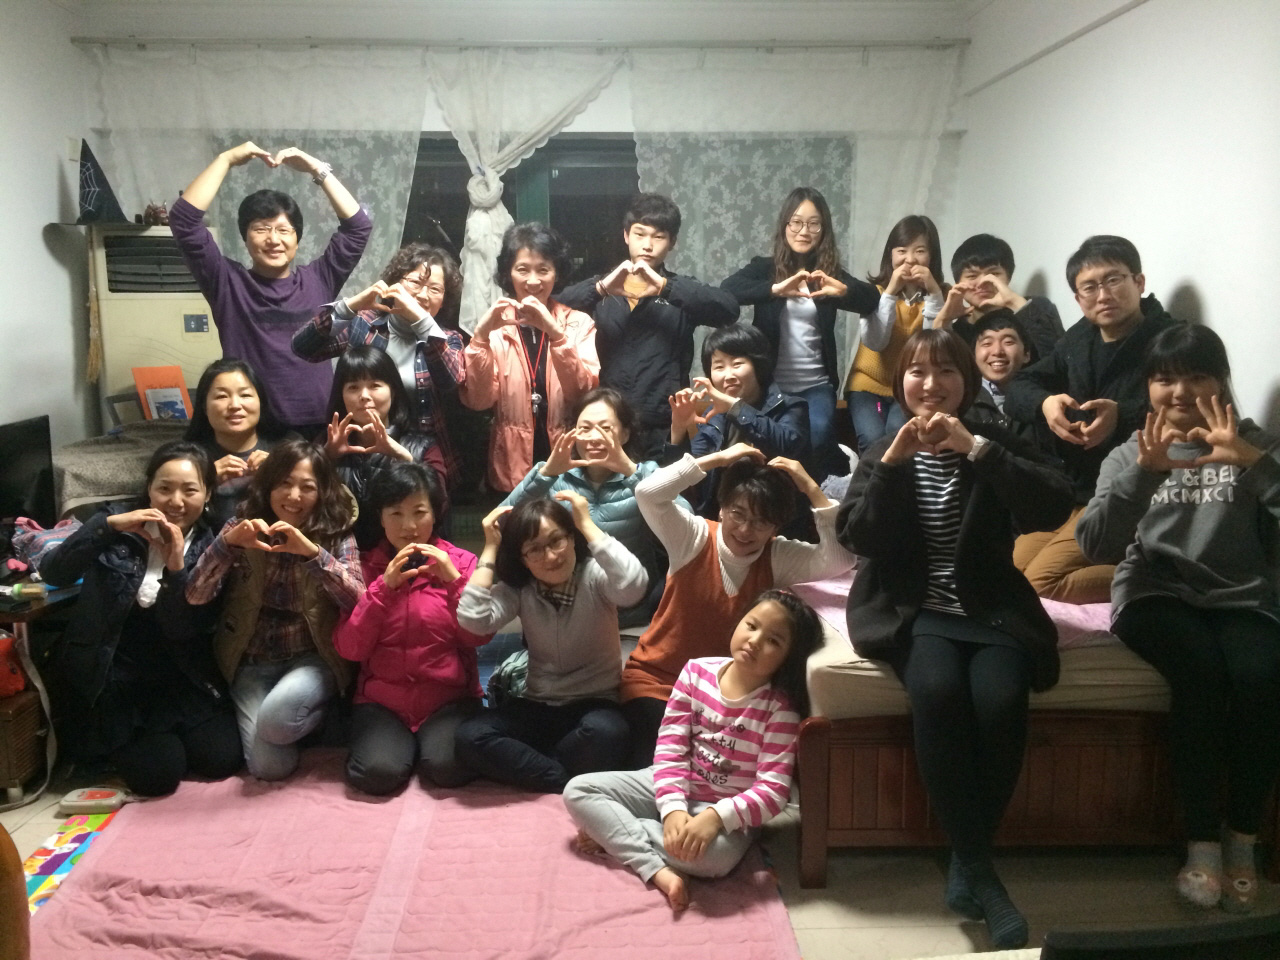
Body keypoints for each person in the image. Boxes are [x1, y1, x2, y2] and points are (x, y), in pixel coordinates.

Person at [837, 328, 1073, 949]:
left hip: (989, 607)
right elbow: (859, 537)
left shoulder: (994, 438)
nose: (931, 383)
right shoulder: (883, 448)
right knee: (938, 691)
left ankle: (968, 861)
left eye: (946, 371)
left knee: (1000, 700)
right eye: (917, 371)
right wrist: (892, 464)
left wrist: (978, 449)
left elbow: (1053, 504)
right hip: (916, 609)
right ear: (900, 383)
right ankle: (982, 875)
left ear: (966, 382)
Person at [1076, 325, 1280, 913]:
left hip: (1240, 598)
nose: (1181, 391)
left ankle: (1243, 839)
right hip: (1154, 594)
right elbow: (1093, 544)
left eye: (1197, 376)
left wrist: (1253, 464)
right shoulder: (1131, 451)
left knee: (1262, 678)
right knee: (1200, 673)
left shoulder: (1255, 445)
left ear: (1222, 382)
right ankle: (1201, 844)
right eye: (1165, 379)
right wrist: (1146, 472)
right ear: (1148, 387)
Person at [563, 589, 823, 913]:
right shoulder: (696, 672)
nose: (755, 641)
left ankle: (614, 832)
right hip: (671, 784)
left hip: (725, 813)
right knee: (578, 790)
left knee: (714, 861)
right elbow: (670, 747)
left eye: (774, 641)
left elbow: (773, 792)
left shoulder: (779, 708)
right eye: (751, 625)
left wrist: (716, 818)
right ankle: (655, 868)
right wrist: (673, 808)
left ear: (788, 656)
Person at [622, 445, 855, 766]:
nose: (745, 530)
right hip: (658, 681)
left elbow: (841, 559)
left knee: (723, 766)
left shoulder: (777, 556)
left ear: (775, 527)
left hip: (723, 692)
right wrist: (718, 459)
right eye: (738, 514)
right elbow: (647, 493)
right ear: (721, 509)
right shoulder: (692, 536)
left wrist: (811, 488)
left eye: (761, 522)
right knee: (667, 757)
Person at [37, 441, 243, 796]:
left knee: (221, 759)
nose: (176, 501)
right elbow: (54, 572)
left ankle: (168, 741)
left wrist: (176, 568)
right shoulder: (116, 524)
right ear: (148, 488)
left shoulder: (213, 546)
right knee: (158, 777)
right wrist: (106, 526)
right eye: (164, 488)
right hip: (117, 676)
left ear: (208, 493)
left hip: (182, 673)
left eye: (190, 490)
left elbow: (181, 629)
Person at [1004, 235, 1180, 604]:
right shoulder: (1080, 337)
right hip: (1074, 489)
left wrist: (1121, 416)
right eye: (1090, 286)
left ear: (1139, 282)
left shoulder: (1169, 341)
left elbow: (1184, 410)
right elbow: (1021, 384)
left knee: (1039, 584)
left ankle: (1169, 577)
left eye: (1113, 280)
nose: (1103, 295)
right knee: (1009, 569)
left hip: (1126, 494)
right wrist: (1045, 403)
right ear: (1078, 297)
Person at [186, 439, 364, 781]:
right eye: (285, 483)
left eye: (307, 487)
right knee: (269, 768)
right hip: (251, 661)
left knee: (278, 722)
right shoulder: (242, 526)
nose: (294, 496)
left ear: (322, 492)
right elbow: (195, 595)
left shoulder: (335, 532)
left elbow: (360, 603)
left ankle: (317, 713)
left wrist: (312, 554)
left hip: (312, 658)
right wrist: (226, 545)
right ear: (268, 486)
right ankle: (309, 724)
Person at [170, 141, 371, 433]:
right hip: (251, 428)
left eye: (283, 230)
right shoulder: (227, 282)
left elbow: (358, 228)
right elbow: (184, 222)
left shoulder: (320, 279)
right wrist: (225, 159)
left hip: (318, 425)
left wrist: (317, 169)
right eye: (261, 229)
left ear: (297, 239)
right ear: (246, 238)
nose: (273, 239)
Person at [454, 494, 648, 792]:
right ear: (522, 559)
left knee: (609, 734)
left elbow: (633, 585)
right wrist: (490, 549)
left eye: (556, 540)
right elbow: (473, 619)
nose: (550, 556)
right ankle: (564, 776)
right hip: (538, 704)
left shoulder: (596, 576)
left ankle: (535, 765)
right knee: (470, 736)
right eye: (534, 549)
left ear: (572, 538)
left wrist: (587, 524)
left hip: (595, 704)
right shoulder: (520, 589)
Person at [333, 462, 486, 794]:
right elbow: (350, 648)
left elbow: (478, 637)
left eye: (419, 512)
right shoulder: (362, 566)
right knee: (377, 773)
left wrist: (454, 583)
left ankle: (426, 746)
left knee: (449, 767)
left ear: (436, 513)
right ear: (380, 516)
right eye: (396, 513)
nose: (409, 526)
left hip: (449, 698)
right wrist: (383, 589)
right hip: (381, 702)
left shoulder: (461, 562)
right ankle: (398, 747)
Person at [556, 194, 738, 461]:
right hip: (610, 421)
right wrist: (602, 288)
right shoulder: (604, 287)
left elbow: (729, 310)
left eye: (659, 237)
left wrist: (666, 287)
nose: (648, 245)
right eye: (640, 234)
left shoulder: (679, 290)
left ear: (672, 242)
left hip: (665, 422)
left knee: (666, 487)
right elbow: (554, 307)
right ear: (626, 236)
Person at [721, 187, 879, 477]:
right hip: (772, 385)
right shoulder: (765, 268)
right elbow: (728, 290)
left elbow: (871, 299)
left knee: (816, 439)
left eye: (813, 223)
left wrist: (844, 291)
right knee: (771, 446)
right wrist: (774, 289)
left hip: (816, 386)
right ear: (785, 225)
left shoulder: (827, 273)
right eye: (796, 222)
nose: (804, 231)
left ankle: (822, 490)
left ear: (823, 230)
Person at [501, 388, 688, 628]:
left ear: (625, 434)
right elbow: (500, 524)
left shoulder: (645, 473)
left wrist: (631, 472)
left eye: (605, 428)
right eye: (585, 428)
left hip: (635, 614)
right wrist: (545, 474)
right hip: (570, 613)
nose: (593, 437)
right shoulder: (553, 477)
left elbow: (688, 524)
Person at [292, 243, 466, 490]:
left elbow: (452, 380)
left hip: (420, 456)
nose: (423, 295)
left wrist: (420, 320)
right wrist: (350, 306)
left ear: (444, 300)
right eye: (415, 283)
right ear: (395, 283)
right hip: (360, 455)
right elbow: (303, 347)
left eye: (435, 289)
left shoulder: (447, 339)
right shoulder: (364, 325)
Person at [460, 222, 599, 493]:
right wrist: (480, 338)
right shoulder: (496, 327)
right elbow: (478, 401)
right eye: (522, 269)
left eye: (543, 270)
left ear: (557, 273)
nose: (533, 281)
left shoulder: (578, 323)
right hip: (509, 463)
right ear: (508, 273)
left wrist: (556, 334)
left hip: (568, 458)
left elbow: (582, 393)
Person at [670, 323, 811, 520]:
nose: (728, 376)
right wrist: (679, 429)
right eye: (719, 367)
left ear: (758, 365)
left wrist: (735, 407)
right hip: (718, 519)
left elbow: (787, 446)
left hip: (774, 520)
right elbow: (690, 478)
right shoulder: (713, 415)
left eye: (737, 364)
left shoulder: (791, 407)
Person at [322, 345, 445, 550]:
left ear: (393, 391)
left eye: (375, 385)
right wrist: (325, 457)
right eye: (353, 387)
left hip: (405, 556)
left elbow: (440, 508)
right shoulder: (324, 445)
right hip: (341, 557)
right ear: (341, 395)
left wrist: (404, 457)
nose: (364, 395)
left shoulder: (423, 447)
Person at [845, 214, 946, 454]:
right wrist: (890, 292)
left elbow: (934, 348)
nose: (910, 259)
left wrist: (934, 292)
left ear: (931, 256)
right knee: (872, 437)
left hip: (908, 388)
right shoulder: (873, 293)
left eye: (920, 251)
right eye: (902, 250)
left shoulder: (939, 296)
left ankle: (893, 479)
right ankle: (867, 479)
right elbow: (876, 342)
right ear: (890, 255)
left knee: (897, 435)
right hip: (867, 385)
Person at [185, 358, 290, 527]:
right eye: (221, 396)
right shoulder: (186, 459)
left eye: (245, 395)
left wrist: (279, 473)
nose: (234, 405)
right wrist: (204, 480)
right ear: (204, 407)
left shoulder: (288, 448)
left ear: (261, 402)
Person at [934, 233, 1064, 360]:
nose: (983, 282)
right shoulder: (957, 330)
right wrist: (942, 321)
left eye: (994, 274)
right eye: (972, 276)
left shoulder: (1037, 309)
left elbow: (1061, 361)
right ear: (958, 282)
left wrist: (1015, 303)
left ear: (1008, 277)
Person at [964, 310, 1045, 447]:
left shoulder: (1043, 401)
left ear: (1026, 354)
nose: (997, 351)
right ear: (973, 356)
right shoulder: (962, 401)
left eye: (1008, 342)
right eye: (987, 343)